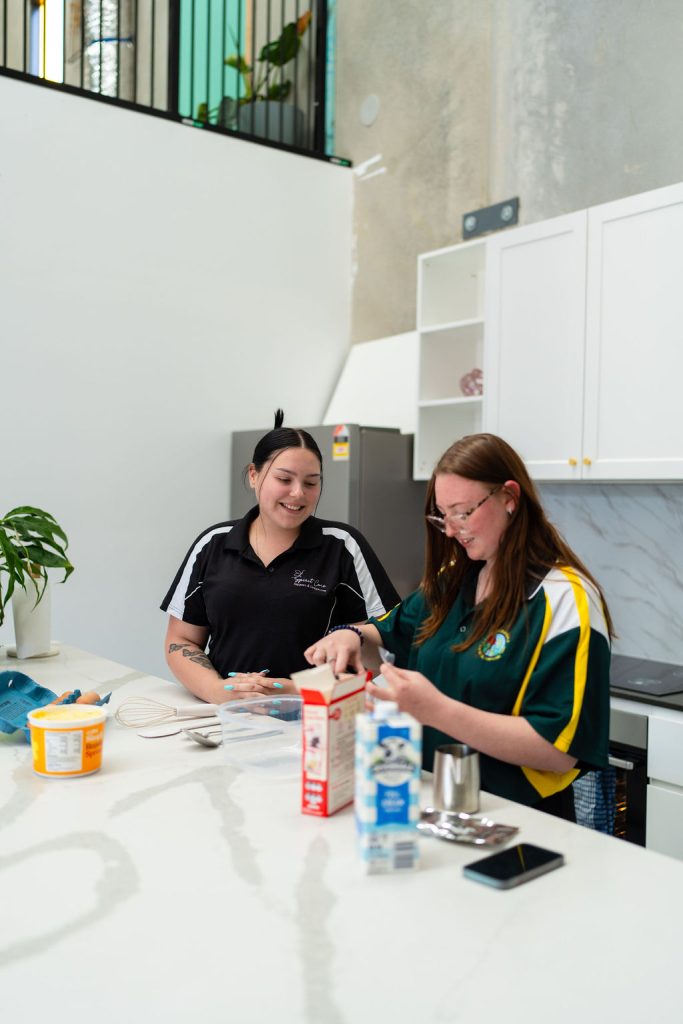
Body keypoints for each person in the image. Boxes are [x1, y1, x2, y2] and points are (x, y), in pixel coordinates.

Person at [305, 432, 614, 819]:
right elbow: (384, 636)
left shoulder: (566, 600)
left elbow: (558, 751)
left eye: (463, 512)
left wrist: (434, 710)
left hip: (517, 817)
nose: (450, 530)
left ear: (510, 499)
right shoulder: (454, 580)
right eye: (442, 515)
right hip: (433, 801)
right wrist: (349, 636)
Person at [161, 410, 400, 705]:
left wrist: (295, 690)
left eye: (311, 483)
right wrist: (219, 692)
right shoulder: (212, 544)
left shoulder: (343, 547)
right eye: (284, 479)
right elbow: (181, 640)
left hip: (314, 715)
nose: (298, 493)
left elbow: (382, 648)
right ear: (254, 475)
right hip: (223, 718)